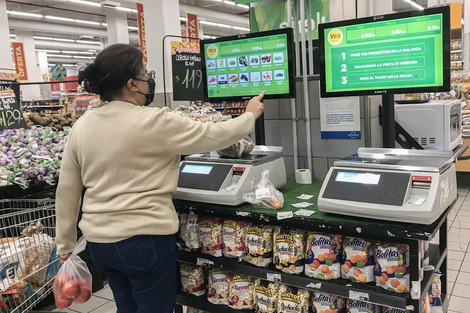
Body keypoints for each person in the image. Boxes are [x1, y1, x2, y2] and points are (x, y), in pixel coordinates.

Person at [55, 43, 264, 313]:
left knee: (126, 307)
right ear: (132, 84)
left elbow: (68, 189)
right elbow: (216, 134)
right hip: (144, 240)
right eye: (144, 74)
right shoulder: (154, 121)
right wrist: (249, 115)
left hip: (100, 244)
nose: (148, 80)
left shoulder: (82, 125)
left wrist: (65, 243)